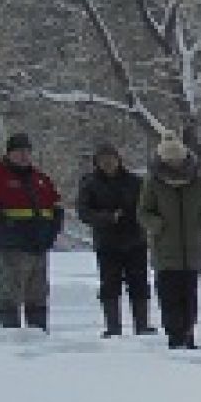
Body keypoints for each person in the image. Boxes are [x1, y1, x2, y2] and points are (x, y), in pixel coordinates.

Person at [0, 132, 63, 330]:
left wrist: (52, 231)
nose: (24, 156)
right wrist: (7, 223)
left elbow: (56, 206)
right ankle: (11, 338)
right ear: (9, 153)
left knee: (37, 294)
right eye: (19, 152)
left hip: (38, 246)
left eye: (27, 151)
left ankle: (38, 334)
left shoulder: (40, 179)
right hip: (10, 246)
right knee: (11, 292)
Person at [138, 137, 201, 350]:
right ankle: (175, 337)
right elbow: (143, 212)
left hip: (193, 250)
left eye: (178, 159)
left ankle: (188, 336)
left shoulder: (197, 182)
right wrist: (157, 225)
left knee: (189, 297)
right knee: (169, 296)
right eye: (170, 160)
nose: (175, 164)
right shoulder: (153, 183)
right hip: (165, 250)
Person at [77, 141, 155, 337]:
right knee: (109, 285)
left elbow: (148, 207)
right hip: (107, 242)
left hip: (135, 240)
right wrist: (107, 218)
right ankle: (113, 327)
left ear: (119, 160)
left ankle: (142, 325)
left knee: (139, 283)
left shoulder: (135, 182)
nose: (108, 163)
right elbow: (84, 212)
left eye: (111, 158)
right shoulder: (89, 184)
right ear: (97, 162)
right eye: (103, 160)